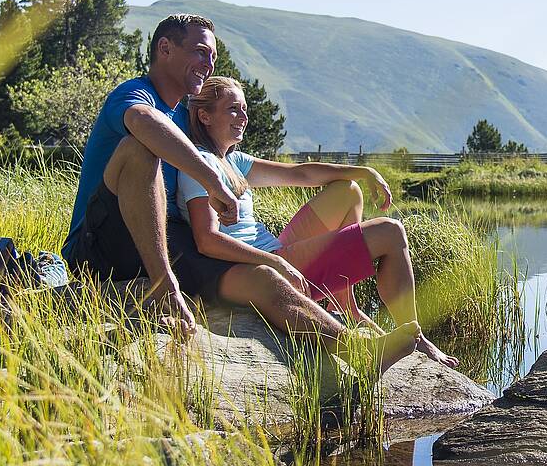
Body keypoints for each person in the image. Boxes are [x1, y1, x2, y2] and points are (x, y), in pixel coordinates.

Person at [61, 14, 418, 371]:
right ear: (165, 49)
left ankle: (359, 351)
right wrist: (214, 182)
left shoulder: (185, 116)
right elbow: (143, 123)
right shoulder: (136, 96)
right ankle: (163, 286)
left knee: (264, 278)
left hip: (165, 239)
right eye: (201, 52)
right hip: (102, 242)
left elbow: (291, 171)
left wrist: (359, 172)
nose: (209, 64)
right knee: (140, 148)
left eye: (213, 56)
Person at [177, 75, 459, 367]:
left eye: (245, 109)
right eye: (233, 108)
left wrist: (362, 172)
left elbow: (300, 174)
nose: (244, 117)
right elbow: (207, 238)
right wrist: (276, 262)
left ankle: (346, 305)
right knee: (390, 231)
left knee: (347, 191)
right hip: (261, 266)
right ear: (205, 115)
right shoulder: (199, 164)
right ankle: (416, 336)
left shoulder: (233, 161)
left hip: (277, 251)